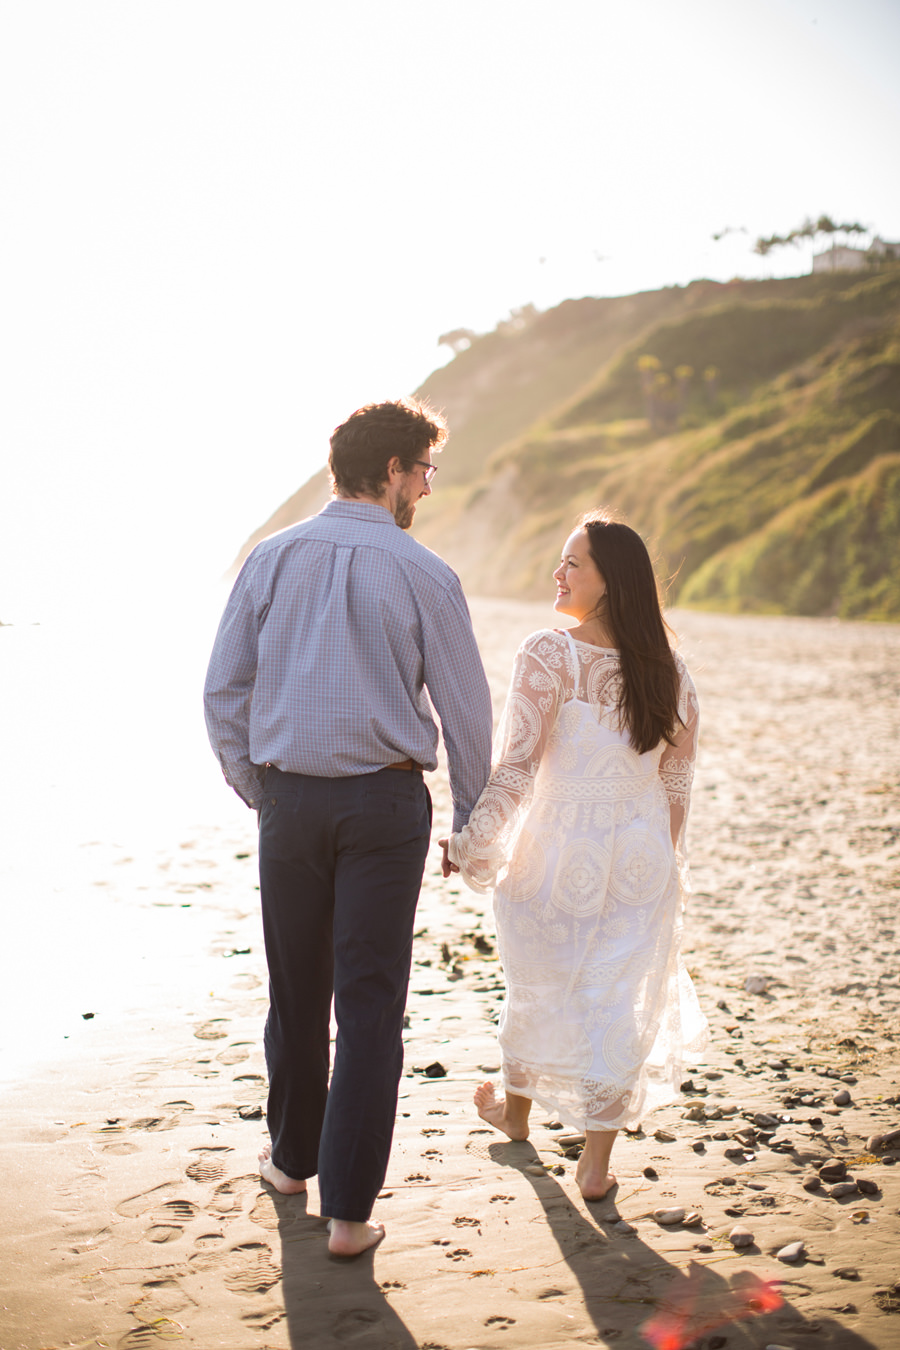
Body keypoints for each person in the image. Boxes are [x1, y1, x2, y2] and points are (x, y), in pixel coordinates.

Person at [204, 397, 492, 1256]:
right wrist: (472, 825)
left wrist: (260, 789)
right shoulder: (425, 572)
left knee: (295, 988)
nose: (428, 490)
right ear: (395, 471)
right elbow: (468, 715)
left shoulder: (271, 557)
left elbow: (224, 690)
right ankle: (350, 1215)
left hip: (291, 800)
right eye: (425, 472)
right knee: (371, 1005)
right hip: (385, 806)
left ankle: (291, 1163)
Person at [440, 511, 708, 1201]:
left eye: (573, 564)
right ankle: (592, 1162)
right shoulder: (671, 673)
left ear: (611, 581)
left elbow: (518, 768)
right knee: (611, 1000)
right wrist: (657, 863)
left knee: (540, 983)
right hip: (643, 856)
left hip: (557, 852)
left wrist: (474, 842)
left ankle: (518, 1117)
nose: (557, 574)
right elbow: (675, 786)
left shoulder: (548, 653)